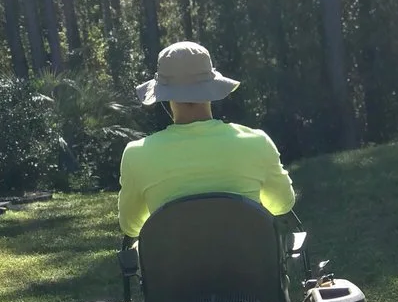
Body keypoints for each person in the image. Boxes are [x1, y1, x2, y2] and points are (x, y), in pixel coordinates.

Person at [118, 41, 296, 239]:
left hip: (173, 270)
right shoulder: (257, 142)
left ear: (163, 93)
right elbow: (282, 204)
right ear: (212, 88)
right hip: (252, 268)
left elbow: (131, 226)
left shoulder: (136, 154)